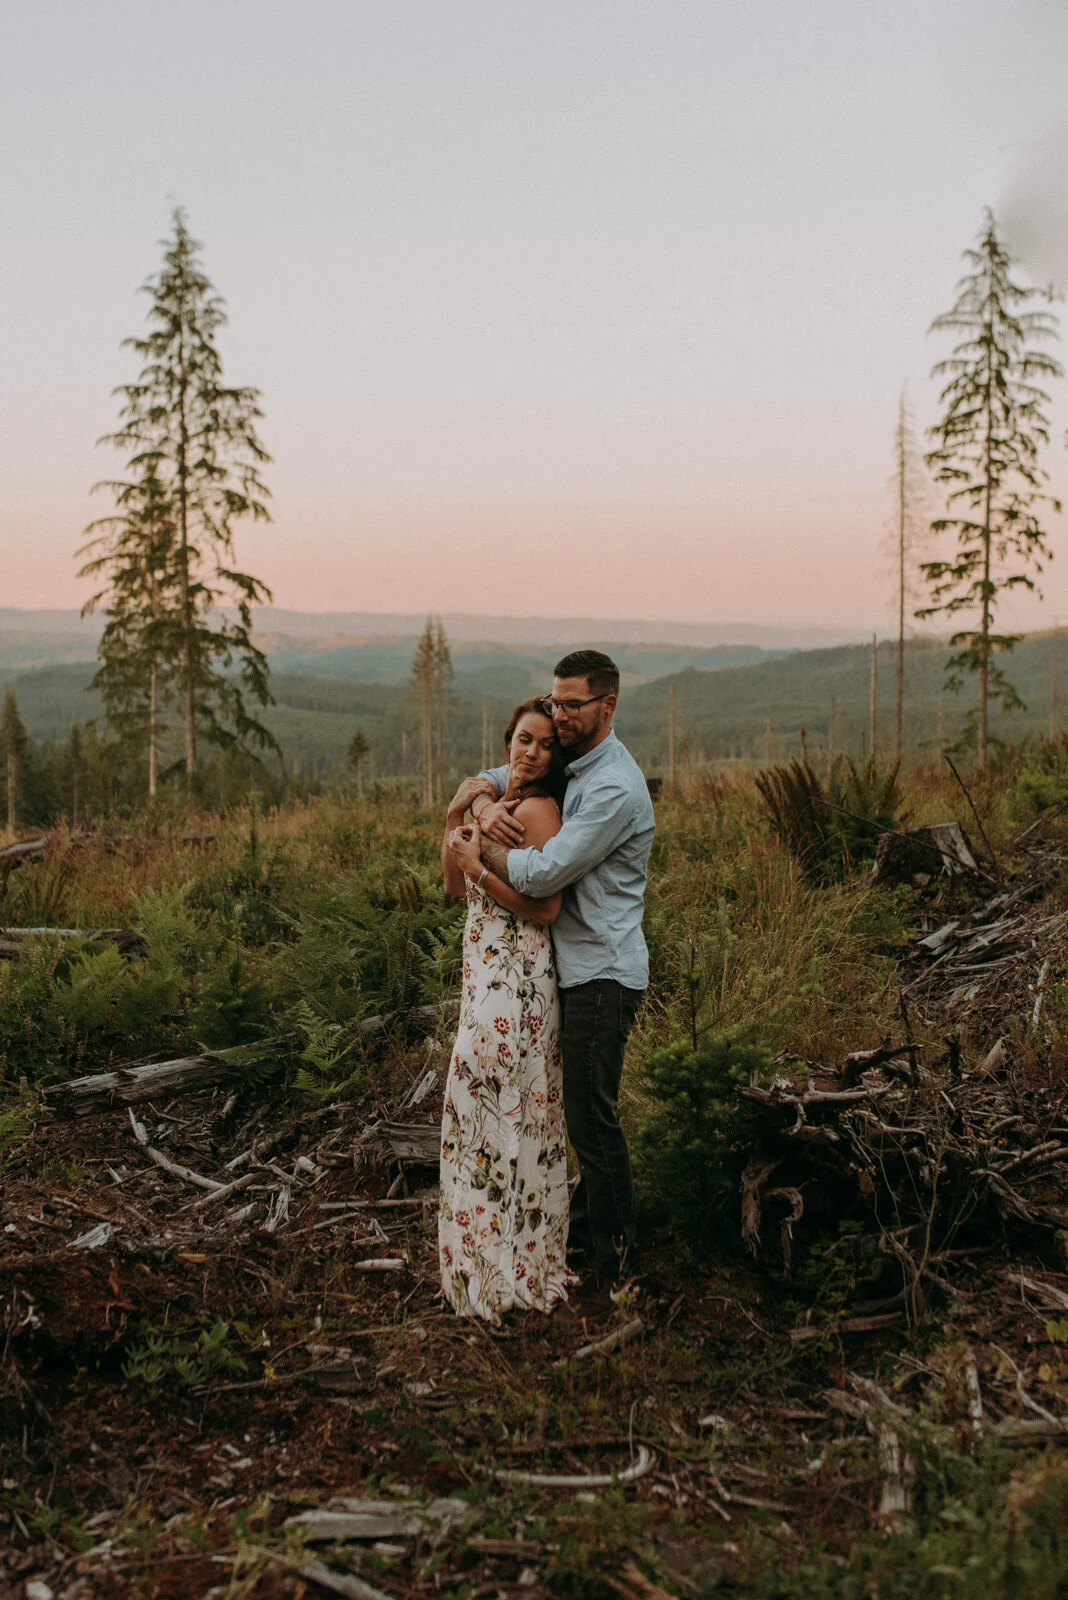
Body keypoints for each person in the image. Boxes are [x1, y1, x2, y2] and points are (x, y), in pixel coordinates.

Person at [464, 650, 655, 1286]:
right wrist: (489, 797)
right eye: (555, 701)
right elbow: (513, 766)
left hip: (602, 972)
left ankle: (616, 1262)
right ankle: (576, 1231)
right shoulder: (574, 755)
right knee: (568, 1111)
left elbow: (546, 874)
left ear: (609, 705)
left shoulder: (612, 788)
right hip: (568, 971)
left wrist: (482, 852)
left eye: (573, 706)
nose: (560, 716)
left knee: (589, 1116)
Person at [438, 698, 574, 1323]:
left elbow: (545, 909)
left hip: (516, 977)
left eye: (546, 745)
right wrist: (455, 817)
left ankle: (507, 1268)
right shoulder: (500, 806)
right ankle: (480, 1263)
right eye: (524, 739)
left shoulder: (541, 812)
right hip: (483, 975)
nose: (533, 752)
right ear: (508, 741)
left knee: (498, 1107)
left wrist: (477, 867)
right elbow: (448, 886)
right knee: (480, 1112)